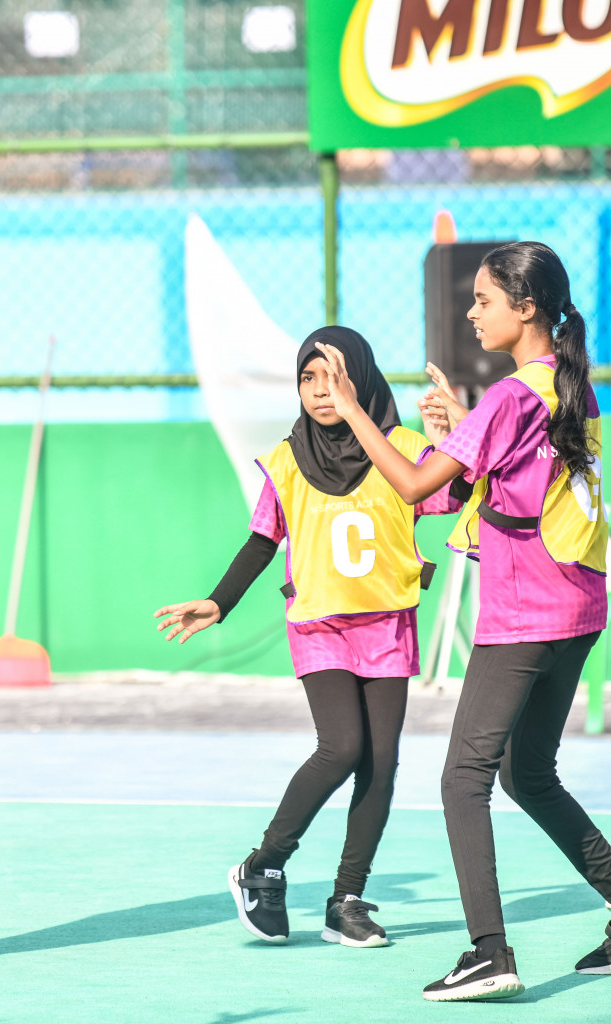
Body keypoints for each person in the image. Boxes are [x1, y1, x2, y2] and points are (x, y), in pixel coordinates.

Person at [317, 241, 611, 1002]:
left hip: (523, 617)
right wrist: (461, 427)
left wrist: (354, 410)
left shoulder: (512, 397)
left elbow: (415, 483)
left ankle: (489, 952)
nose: (472, 312)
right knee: (528, 773)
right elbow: (498, 490)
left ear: (527, 308)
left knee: (462, 780)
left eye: (483, 301)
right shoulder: (564, 390)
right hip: (577, 610)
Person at [155, 327, 457, 949]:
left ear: (363, 379)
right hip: (320, 624)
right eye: (308, 379)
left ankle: (347, 900)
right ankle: (264, 863)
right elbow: (264, 539)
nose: (322, 392)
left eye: (335, 378)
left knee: (382, 763)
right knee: (342, 746)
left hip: (387, 622)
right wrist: (220, 601)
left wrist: (449, 438)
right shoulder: (288, 458)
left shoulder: (400, 446)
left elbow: (452, 496)